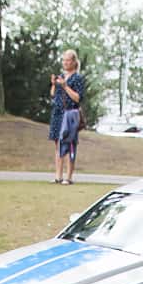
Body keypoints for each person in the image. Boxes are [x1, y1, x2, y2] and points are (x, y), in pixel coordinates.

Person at [48, 51, 86, 185]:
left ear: (74, 62)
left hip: (70, 114)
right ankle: (58, 176)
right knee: (58, 145)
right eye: (63, 60)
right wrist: (54, 84)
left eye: (68, 60)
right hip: (57, 113)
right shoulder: (61, 76)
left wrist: (65, 86)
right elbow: (53, 95)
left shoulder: (77, 78)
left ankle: (68, 177)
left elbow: (77, 98)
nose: (65, 63)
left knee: (69, 145)